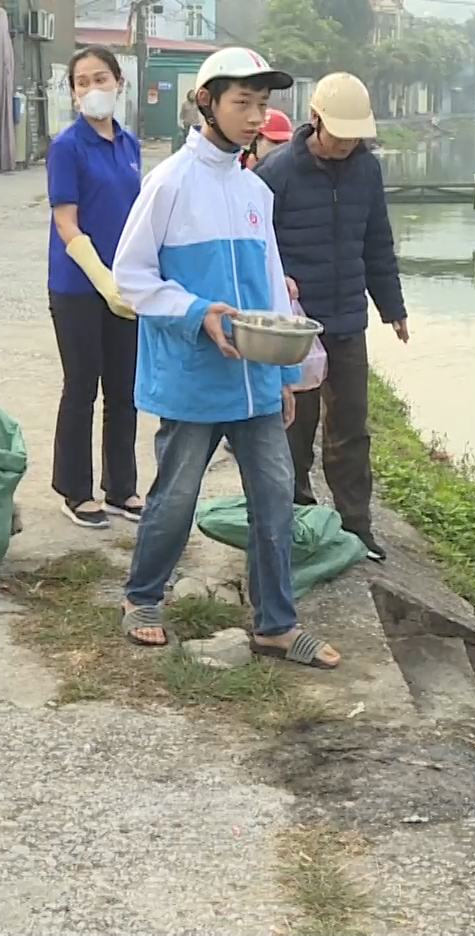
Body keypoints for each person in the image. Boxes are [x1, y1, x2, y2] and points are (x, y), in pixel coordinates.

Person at [110, 46, 339, 670]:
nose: (255, 116)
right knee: (175, 497)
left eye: (262, 104)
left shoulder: (252, 190)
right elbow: (129, 276)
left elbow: (270, 284)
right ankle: (142, 597)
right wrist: (196, 312)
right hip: (193, 379)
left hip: (256, 380)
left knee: (274, 496)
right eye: (242, 102)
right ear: (206, 101)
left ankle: (276, 624)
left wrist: (288, 374)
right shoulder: (169, 183)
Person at [253, 73, 406, 562]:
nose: (345, 144)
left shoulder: (366, 172)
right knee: (296, 426)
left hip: (348, 320)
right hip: (296, 327)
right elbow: (253, 246)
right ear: (315, 119)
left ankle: (355, 526)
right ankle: (296, 519)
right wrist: (277, 287)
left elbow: (377, 241)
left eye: (353, 135)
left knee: (351, 428)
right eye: (338, 133)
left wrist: (392, 307)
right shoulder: (275, 173)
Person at [45, 45, 143, 531]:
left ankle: (122, 487)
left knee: (124, 389)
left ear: (118, 83)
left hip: (126, 287)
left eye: (99, 78)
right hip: (78, 287)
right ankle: (75, 489)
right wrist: (100, 276)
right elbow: (66, 221)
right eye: (81, 82)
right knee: (82, 386)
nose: (91, 89)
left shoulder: (130, 145)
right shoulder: (67, 146)